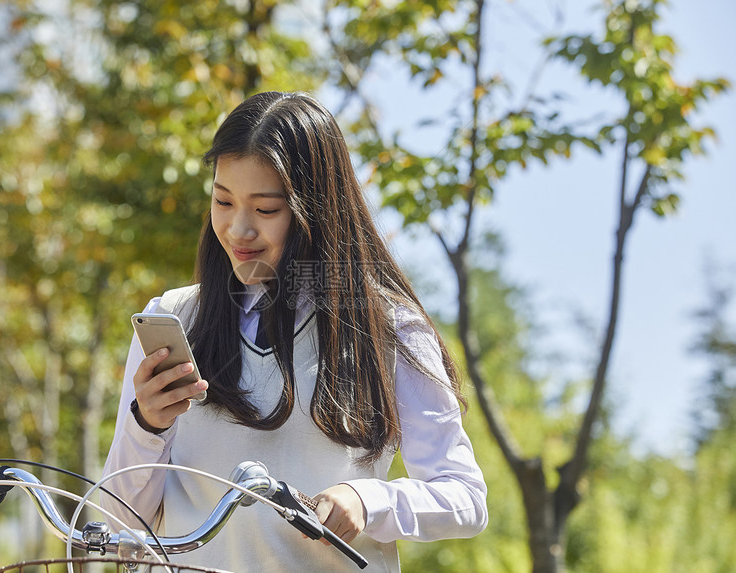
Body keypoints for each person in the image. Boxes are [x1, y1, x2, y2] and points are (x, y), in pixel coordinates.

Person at [102, 91, 487, 572]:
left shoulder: (386, 328)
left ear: (318, 211)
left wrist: (368, 501)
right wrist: (147, 426)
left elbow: (465, 497)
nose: (238, 230)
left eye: (265, 210)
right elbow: (116, 519)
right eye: (223, 201)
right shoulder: (176, 316)